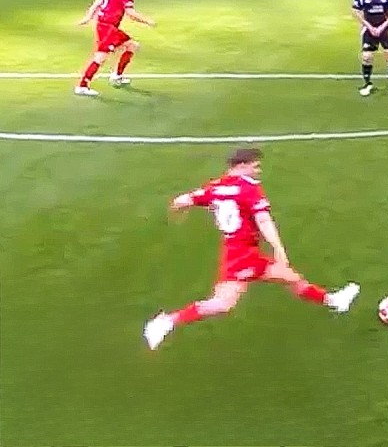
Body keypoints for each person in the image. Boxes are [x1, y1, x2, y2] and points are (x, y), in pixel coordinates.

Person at [143, 147, 360, 350]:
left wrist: (178, 209)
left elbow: (183, 200)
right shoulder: (248, 189)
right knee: (223, 303)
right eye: (255, 166)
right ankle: (166, 322)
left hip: (237, 250)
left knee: (291, 278)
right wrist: (278, 248)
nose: (258, 171)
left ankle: (334, 300)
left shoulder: (215, 186)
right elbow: (264, 221)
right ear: (242, 165)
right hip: (242, 255)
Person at [75, 0, 155, 96]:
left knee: (132, 45)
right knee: (101, 57)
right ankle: (82, 86)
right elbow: (130, 13)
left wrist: (88, 17)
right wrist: (147, 21)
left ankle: (117, 76)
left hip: (108, 26)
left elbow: (98, 2)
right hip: (107, 28)